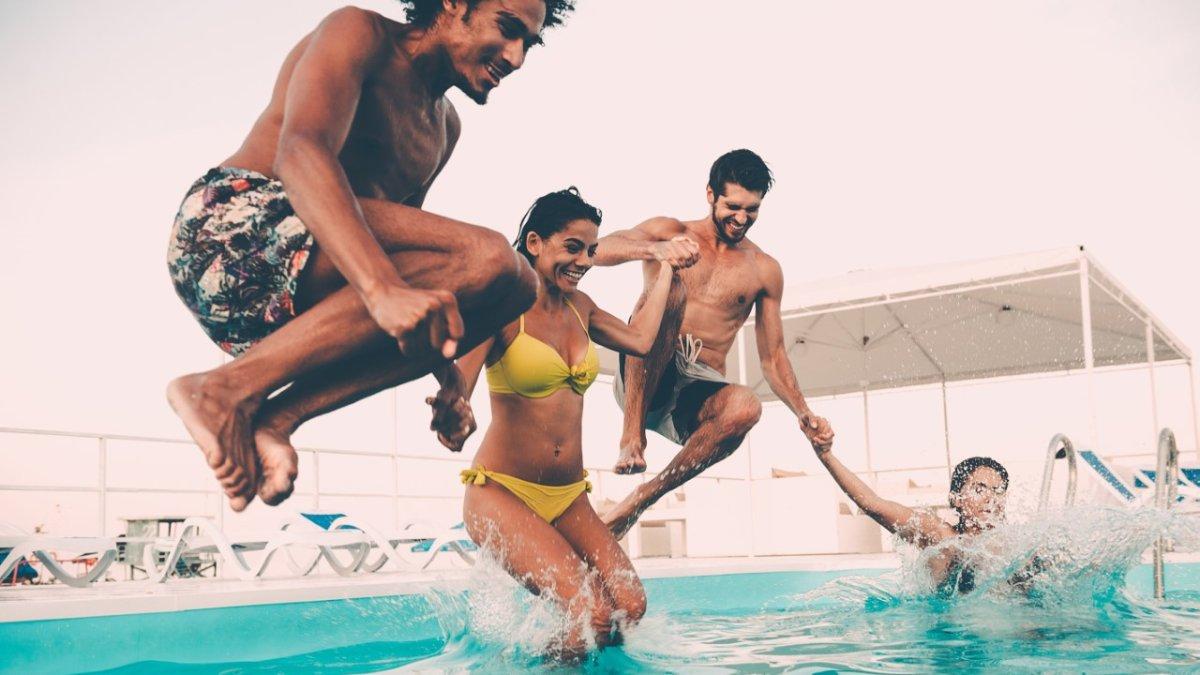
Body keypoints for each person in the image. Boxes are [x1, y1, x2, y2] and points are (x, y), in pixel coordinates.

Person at [164, 0, 576, 512]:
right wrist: (381, 290)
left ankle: (273, 418)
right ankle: (222, 390)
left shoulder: (444, 128)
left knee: (514, 287)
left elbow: (426, 263)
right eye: (508, 29)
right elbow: (301, 153)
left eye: (528, 44)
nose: (515, 58)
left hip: (296, 288)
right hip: (229, 233)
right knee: (493, 257)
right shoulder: (360, 34)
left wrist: (450, 380)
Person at [435, 188, 678, 658]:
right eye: (572, 247)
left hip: (567, 496)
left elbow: (642, 341)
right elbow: (457, 388)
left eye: (591, 249)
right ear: (534, 243)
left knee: (629, 605)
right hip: (501, 493)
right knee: (590, 613)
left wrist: (665, 264)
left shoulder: (580, 307)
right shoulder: (502, 312)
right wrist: (452, 413)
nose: (584, 259)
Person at [593, 149, 835, 538]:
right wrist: (656, 251)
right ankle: (631, 436)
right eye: (733, 206)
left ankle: (641, 499)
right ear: (710, 194)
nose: (741, 219)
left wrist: (803, 413)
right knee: (670, 286)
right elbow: (596, 250)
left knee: (747, 407)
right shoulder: (669, 231)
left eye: (752, 209)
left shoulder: (764, 269)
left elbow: (772, 357)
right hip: (645, 375)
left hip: (695, 393)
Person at [813, 443, 1015, 594]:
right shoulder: (940, 535)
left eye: (998, 491)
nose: (991, 498)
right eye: (979, 489)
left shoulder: (1014, 544)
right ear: (956, 499)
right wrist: (826, 455)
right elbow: (872, 504)